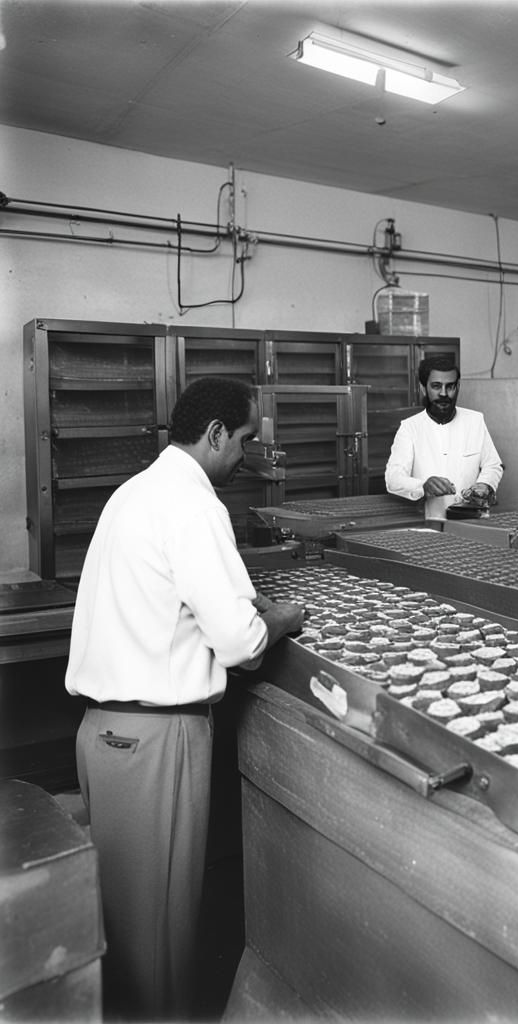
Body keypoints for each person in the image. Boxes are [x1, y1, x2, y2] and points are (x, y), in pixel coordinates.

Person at [65, 377, 304, 1021]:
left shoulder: (134, 492)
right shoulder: (195, 505)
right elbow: (241, 643)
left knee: (124, 937)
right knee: (159, 949)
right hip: (155, 744)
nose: (245, 457)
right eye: (244, 441)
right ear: (217, 434)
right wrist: (284, 617)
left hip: (105, 735)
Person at [385, 354, 504, 520]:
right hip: (432, 523)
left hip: (473, 521)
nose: (443, 393)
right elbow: (393, 479)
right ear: (423, 388)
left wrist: (485, 484)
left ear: (458, 387)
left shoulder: (475, 421)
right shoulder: (410, 428)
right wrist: (423, 486)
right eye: (436, 386)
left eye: (450, 387)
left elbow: (493, 464)